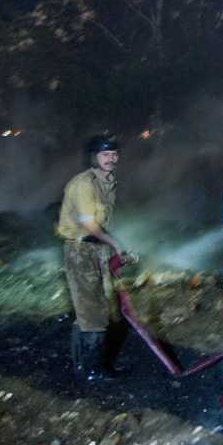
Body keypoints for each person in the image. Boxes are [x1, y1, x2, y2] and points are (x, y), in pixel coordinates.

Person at [58, 135, 130, 381]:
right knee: (92, 311)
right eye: (105, 154)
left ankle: (82, 365)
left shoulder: (108, 182)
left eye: (114, 154)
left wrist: (111, 247)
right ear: (93, 157)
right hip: (81, 251)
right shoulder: (84, 184)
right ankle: (92, 371)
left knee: (92, 307)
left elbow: (104, 222)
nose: (111, 159)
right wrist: (116, 243)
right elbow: (89, 225)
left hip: (96, 249)